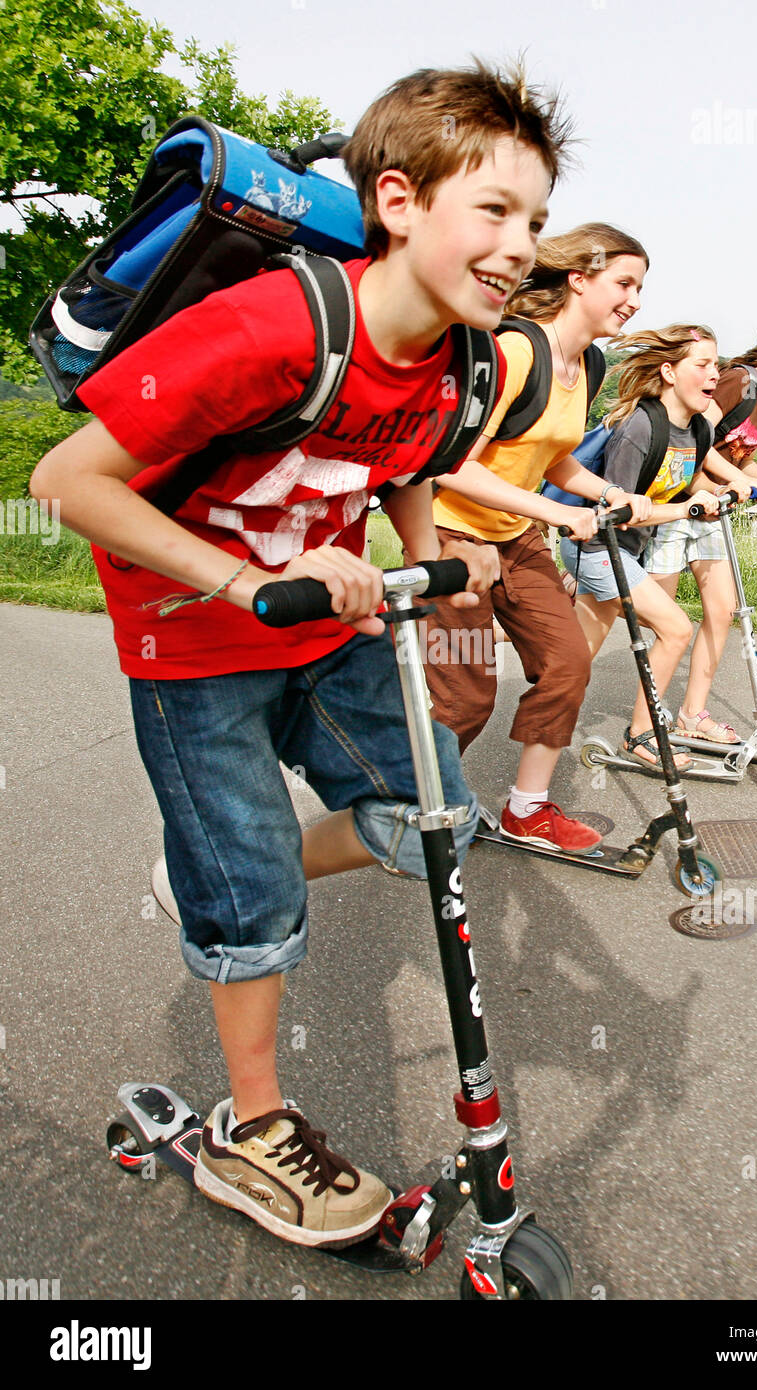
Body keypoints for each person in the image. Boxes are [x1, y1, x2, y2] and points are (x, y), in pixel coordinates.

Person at [30, 62, 568, 1249]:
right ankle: (253, 1126)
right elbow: (62, 482)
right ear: (398, 201)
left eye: (533, 218)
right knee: (255, 903)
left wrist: (434, 558)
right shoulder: (271, 326)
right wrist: (245, 580)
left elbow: (409, 459)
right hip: (193, 634)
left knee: (429, 817)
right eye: (494, 211)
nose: (520, 243)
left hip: (326, 627)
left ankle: (209, 877)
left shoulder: (462, 356)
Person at [417, 224, 654, 854]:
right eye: (623, 283)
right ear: (579, 278)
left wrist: (608, 494)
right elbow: (454, 465)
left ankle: (527, 809)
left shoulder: (590, 365)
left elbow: (554, 464)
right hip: (453, 538)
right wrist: (556, 516)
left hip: (516, 539)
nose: (634, 299)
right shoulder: (516, 353)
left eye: (640, 288)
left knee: (567, 663)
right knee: (466, 697)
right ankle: (414, 809)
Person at [643, 311, 757, 745]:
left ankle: (691, 714)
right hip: (676, 504)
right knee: (656, 618)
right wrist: (737, 483)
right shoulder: (738, 381)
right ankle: (644, 718)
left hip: (713, 511)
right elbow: (695, 439)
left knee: (721, 611)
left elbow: (737, 455)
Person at [560, 325, 733, 769]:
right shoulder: (640, 427)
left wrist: (709, 491)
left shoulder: (696, 429)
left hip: (626, 551)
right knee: (675, 629)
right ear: (669, 371)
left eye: (716, 364)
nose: (715, 374)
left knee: (573, 656)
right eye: (703, 364)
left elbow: (687, 475)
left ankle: (508, 639)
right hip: (599, 545)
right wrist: (686, 511)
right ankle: (641, 735)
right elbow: (624, 507)